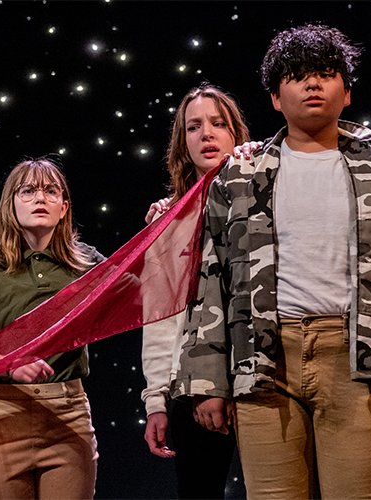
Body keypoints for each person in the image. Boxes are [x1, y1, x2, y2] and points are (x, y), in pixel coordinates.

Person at [173, 24, 371, 499]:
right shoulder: (241, 176)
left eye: (326, 74)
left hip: (357, 360)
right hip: (263, 361)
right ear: (273, 97)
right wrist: (209, 380)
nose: (312, 84)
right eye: (297, 75)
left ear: (346, 93)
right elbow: (210, 281)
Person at [0, 159, 102, 499]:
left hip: (68, 414)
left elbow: (145, 292)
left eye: (50, 191)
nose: (40, 198)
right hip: (1, 414)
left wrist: (163, 225)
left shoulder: (87, 263)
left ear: (64, 207)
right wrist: (8, 364)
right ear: (10, 204)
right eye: (28, 191)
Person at [138, 84, 249, 498]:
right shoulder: (167, 221)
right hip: (192, 384)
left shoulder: (272, 196)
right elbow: (160, 316)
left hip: (267, 375)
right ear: (181, 143)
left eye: (219, 124)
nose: (207, 134)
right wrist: (156, 401)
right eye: (194, 127)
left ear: (237, 134)